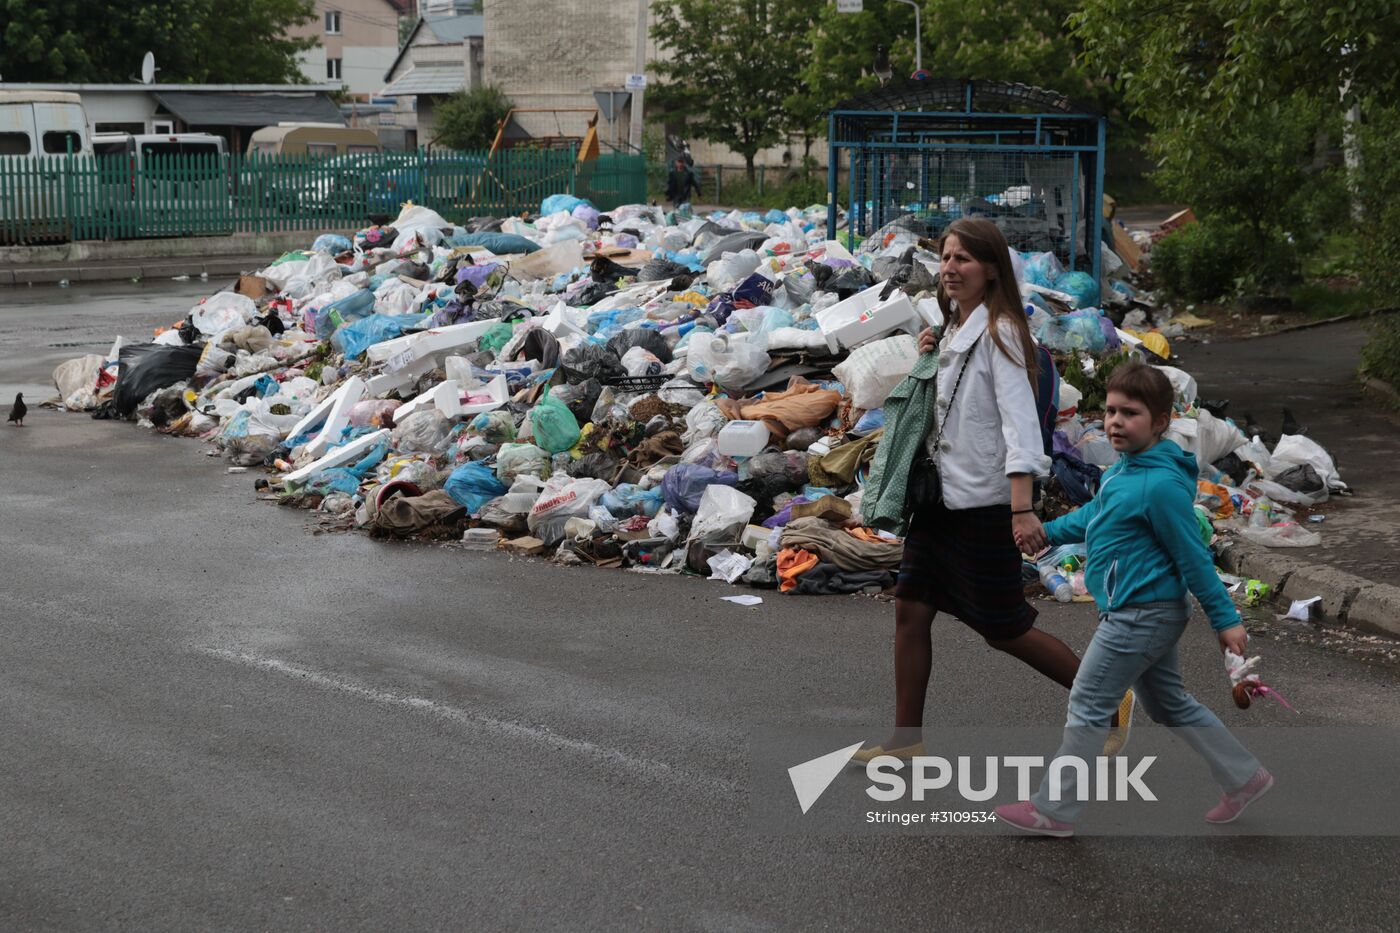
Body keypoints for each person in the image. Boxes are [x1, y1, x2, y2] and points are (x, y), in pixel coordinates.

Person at [855, 217, 1132, 763]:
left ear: (990, 270)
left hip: (984, 505)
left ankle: (1109, 698)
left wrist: (1022, 508)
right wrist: (933, 352)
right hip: (939, 504)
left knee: (1004, 629)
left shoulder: (1002, 334)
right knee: (910, 607)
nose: (951, 268)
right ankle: (906, 738)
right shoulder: (957, 328)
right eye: (947, 257)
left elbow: (1021, 426)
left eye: (964, 259)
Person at [996, 362, 1271, 837]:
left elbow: (1194, 559)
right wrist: (1039, 535)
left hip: (1141, 614)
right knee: (1168, 705)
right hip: (1143, 610)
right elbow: (1096, 519)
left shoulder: (1159, 486)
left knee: (1088, 701)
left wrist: (1226, 621)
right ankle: (1244, 777)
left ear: (1161, 422)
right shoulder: (1125, 471)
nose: (1115, 422)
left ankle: (1054, 809)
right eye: (1110, 411)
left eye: (1131, 413)